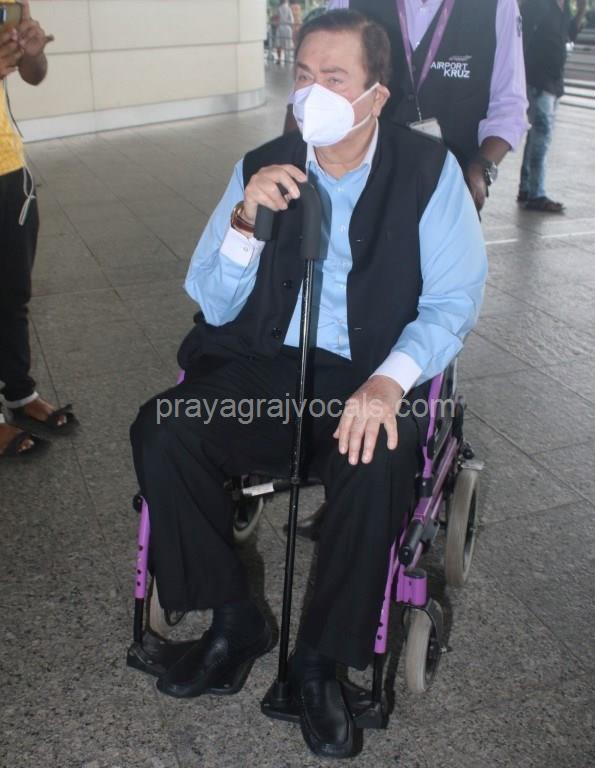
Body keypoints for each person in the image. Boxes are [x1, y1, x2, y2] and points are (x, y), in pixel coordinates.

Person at [130, 10, 487, 760]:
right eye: (302, 76)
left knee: (377, 458)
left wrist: (389, 383)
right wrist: (243, 219)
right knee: (163, 429)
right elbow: (212, 302)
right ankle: (235, 619)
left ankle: (322, 659)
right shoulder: (264, 164)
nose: (311, 94)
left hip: (369, 370)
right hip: (268, 361)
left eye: (334, 78)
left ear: (376, 95)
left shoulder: (427, 172)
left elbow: (451, 301)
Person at [286, 0, 528, 213]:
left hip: (449, 192)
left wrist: (482, 168)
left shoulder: (497, 6)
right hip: (357, 185)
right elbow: (308, 87)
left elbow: (509, 105)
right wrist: (287, 161)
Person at [0, 0, 76, 461]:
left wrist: (32, 53)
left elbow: (34, 75)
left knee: (12, 293)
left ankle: (19, 393)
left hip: (9, 168)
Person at [517, 0, 587, 212]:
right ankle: (536, 194)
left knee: (537, 136)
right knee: (542, 136)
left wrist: (581, 10)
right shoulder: (538, 4)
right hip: (538, 78)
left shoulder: (564, 8)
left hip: (554, 80)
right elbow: (520, 35)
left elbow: (569, 36)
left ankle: (527, 188)